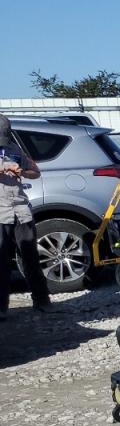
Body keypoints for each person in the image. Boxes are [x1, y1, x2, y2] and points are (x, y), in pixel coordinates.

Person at [0, 115, 50, 318]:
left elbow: (35, 171)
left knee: (31, 257)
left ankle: (42, 300)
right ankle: (1, 307)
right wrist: (3, 168)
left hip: (20, 210)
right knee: (1, 261)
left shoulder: (14, 148)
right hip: (0, 213)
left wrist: (24, 172)